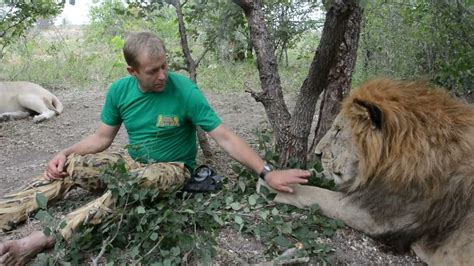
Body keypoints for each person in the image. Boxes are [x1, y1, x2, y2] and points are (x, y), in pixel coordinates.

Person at [0, 31, 310, 265]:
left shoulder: (185, 90)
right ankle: (5, 214)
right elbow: (101, 138)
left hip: (172, 169)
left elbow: (225, 136)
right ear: (132, 72)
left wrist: (267, 173)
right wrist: (66, 153)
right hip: (130, 162)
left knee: (132, 187)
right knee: (70, 166)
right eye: (152, 71)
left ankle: (38, 240)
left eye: (164, 66)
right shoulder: (120, 91)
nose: (162, 75)